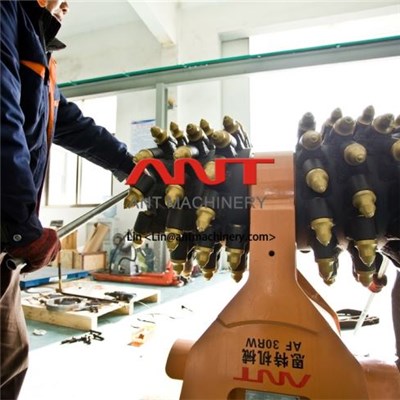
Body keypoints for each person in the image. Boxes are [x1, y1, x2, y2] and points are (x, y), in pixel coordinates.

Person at [1, 1, 135, 398]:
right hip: (8, 228)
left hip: (5, 240)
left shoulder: (35, 46)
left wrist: (130, 165)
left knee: (9, 358)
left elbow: (68, 122)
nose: (66, 6)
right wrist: (22, 226)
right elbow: (2, 120)